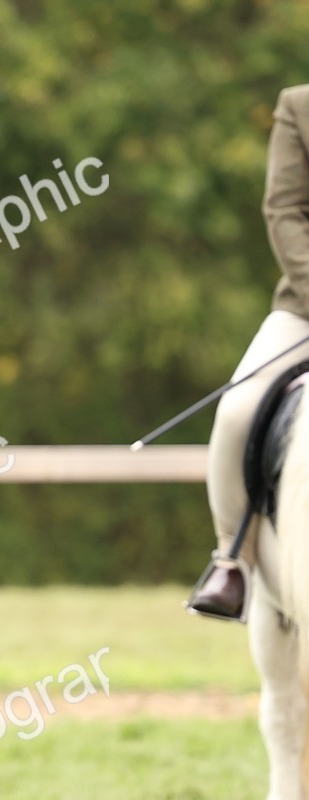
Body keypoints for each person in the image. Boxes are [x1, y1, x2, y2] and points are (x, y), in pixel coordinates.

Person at [188, 84, 309, 622]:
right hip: (305, 308)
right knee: (237, 410)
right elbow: (284, 212)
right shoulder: (299, 106)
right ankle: (229, 560)